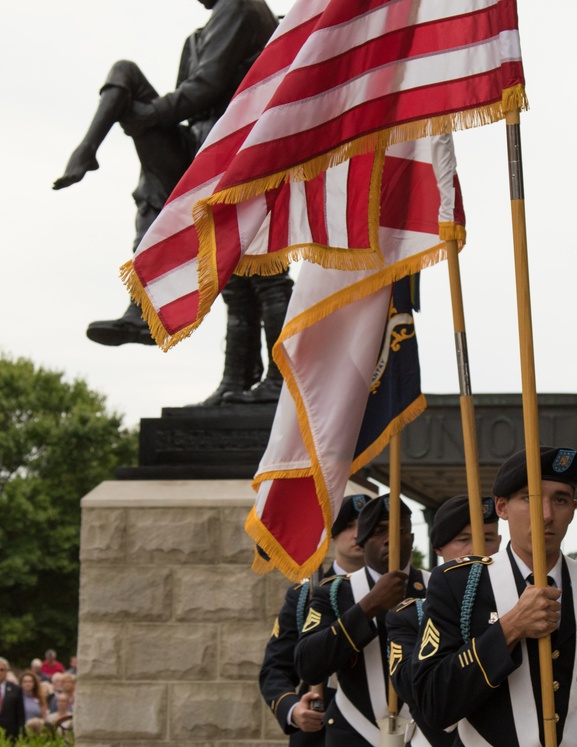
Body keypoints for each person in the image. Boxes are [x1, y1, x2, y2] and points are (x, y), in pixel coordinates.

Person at [53, 0, 292, 407]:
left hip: (241, 149)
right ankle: (233, 381)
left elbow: (207, 87)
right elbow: (189, 103)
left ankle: (281, 380)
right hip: (204, 152)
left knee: (264, 272)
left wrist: (149, 117)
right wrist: (150, 127)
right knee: (235, 280)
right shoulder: (199, 34)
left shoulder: (240, 6)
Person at [410, 447, 577, 746]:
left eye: (560, 499)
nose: (547, 515)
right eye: (529, 498)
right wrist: (509, 628)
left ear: (573, 508)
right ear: (501, 508)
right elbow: (433, 703)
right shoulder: (460, 584)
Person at [295, 495, 431, 746]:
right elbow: (308, 663)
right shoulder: (335, 592)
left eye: (400, 530)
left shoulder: (437, 588)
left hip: (425, 730)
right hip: (354, 730)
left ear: (411, 539)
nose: (390, 539)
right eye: (380, 531)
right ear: (363, 540)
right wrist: (368, 606)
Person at [385, 494, 502, 746]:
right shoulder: (408, 616)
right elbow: (415, 690)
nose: (477, 550)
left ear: (501, 542)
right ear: (439, 548)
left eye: (488, 538)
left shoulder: (520, 605)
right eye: (463, 540)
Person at [259, 493, 371, 746]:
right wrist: (293, 709)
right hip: (320, 734)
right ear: (332, 534)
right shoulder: (304, 596)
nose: (357, 535)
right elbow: (276, 668)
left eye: (366, 526)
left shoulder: (399, 592)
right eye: (348, 526)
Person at [0, 657, 26, 740]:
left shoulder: (16, 689)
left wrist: (21, 734)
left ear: (7, 671)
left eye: (1, 670)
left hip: (10, 734)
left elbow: (20, 715)